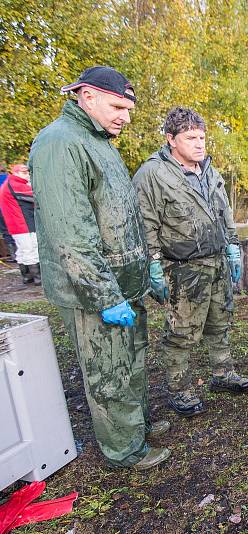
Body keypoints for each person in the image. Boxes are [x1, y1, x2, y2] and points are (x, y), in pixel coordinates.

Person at [29, 66, 171, 470]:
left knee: (132, 358)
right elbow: (71, 233)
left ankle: (135, 424)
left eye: (127, 108)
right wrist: (104, 295)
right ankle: (124, 448)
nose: (125, 116)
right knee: (107, 370)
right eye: (117, 106)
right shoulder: (60, 143)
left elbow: (117, 215)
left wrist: (144, 275)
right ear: (86, 95)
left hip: (126, 281)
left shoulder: (99, 140)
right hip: (93, 290)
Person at [133, 107, 248, 418]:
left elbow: (224, 212)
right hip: (183, 267)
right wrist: (154, 266)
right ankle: (180, 389)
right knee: (182, 331)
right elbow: (145, 223)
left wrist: (233, 247)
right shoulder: (153, 175)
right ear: (171, 139)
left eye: (202, 137)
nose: (200, 144)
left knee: (219, 321)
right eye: (191, 138)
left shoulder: (209, 170)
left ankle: (223, 374)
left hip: (216, 262)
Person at [0, 164, 40, 284]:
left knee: (23, 250)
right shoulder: (15, 184)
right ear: (15, 173)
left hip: (17, 224)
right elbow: (36, 196)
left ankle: (27, 276)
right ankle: (38, 277)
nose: (27, 174)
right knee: (31, 249)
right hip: (23, 223)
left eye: (27, 172)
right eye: (23, 172)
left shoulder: (9, 183)